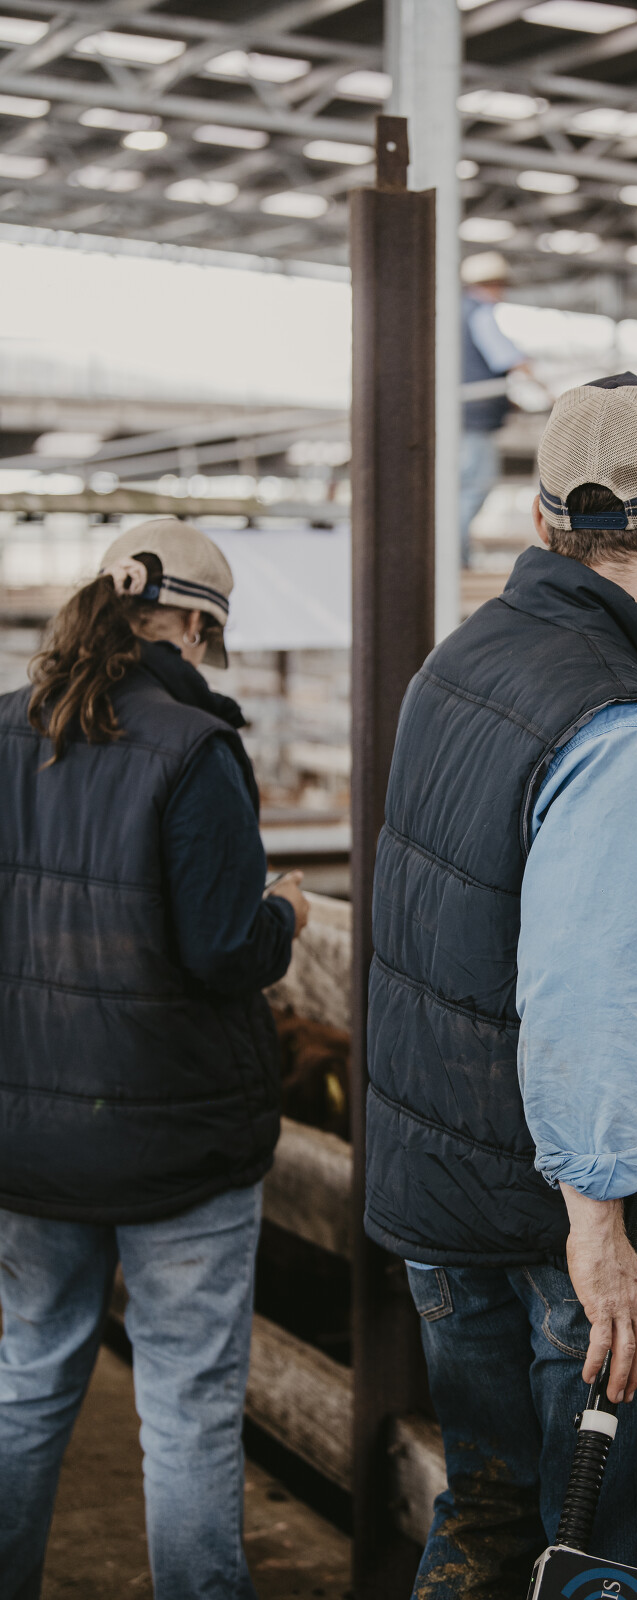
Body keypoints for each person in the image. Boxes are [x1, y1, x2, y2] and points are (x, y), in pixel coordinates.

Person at [366, 373, 637, 1597]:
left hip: (447, 1201)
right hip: (569, 1229)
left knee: (489, 1519)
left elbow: (513, 881)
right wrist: (600, 1232)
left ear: (543, 514)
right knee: (604, 1562)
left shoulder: (460, 662)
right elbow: (582, 991)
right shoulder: (621, 729)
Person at [0, 518, 310, 1600]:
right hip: (176, 1139)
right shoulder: (194, 748)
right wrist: (283, 914)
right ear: (187, 623)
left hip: (27, 1135)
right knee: (185, 1407)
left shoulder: (4, 729)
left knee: (28, 1376)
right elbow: (223, 949)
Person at [460, 249, 529, 567]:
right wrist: (550, 394)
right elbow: (510, 359)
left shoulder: (455, 313)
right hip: (474, 419)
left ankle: (454, 555)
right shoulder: (481, 314)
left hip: (461, 416)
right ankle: (455, 557)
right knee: (474, 488)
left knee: (462, 488)